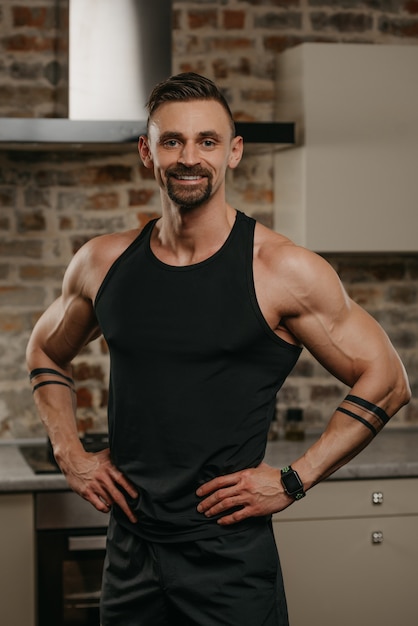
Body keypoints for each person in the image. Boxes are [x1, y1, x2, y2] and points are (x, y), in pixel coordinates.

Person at [26, 72, 410, 626]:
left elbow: (388, 379)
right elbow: (44, 350)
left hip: (228, 559)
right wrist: (68, 451)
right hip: (130, 553)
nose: (189, 157)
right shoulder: (102, 263)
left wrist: (294, 479)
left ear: (233, 152)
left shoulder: (281, 269)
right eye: (172, 141)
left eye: (207, 141)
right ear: (147, 151)